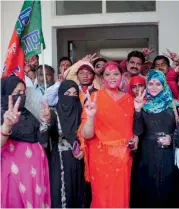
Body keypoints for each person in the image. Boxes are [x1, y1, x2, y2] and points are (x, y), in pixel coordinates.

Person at [78, 61, 137, 208]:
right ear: (101, 78)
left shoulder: (130, 100)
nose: (112, 77)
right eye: (108, 74)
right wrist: (91, 116)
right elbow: (86, 134)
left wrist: (135, 139)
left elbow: (133, 130)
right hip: (101, 158)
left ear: (122, 76)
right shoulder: (94, 98)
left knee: (121, 197)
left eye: (116, 73)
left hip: (123, 157)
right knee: (101, 198)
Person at [132, 70, 179, 207]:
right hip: (147, 153)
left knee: (168, 186)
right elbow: (137, 131)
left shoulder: (175, 105)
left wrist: (171, 138)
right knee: (148, 188)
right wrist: (137, 110)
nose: (154, 87)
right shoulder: (143, 105)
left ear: (164, 85)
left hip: (168, 152)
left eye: (158, 84)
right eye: (150, 83)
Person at [1, 76, 51, 208]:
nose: (22, 96)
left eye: (24, 92)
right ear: (6, 94)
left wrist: (45, 121)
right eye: (17, 93)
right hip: (15, 172)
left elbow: (42, 140)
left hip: (36, 170)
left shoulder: (28, 114)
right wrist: (7, 126)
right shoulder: (3, 115)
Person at [46, 80, 85, 208]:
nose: (72, 97)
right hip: (61, 160)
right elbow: (43, 139)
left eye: (75, 94)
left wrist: (83, 149)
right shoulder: (53, 113)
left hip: (80, 161)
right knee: (63, 193)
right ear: (61, 94)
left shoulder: (82, 113)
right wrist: (44, 122)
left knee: (78, 193)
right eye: (67, 93)